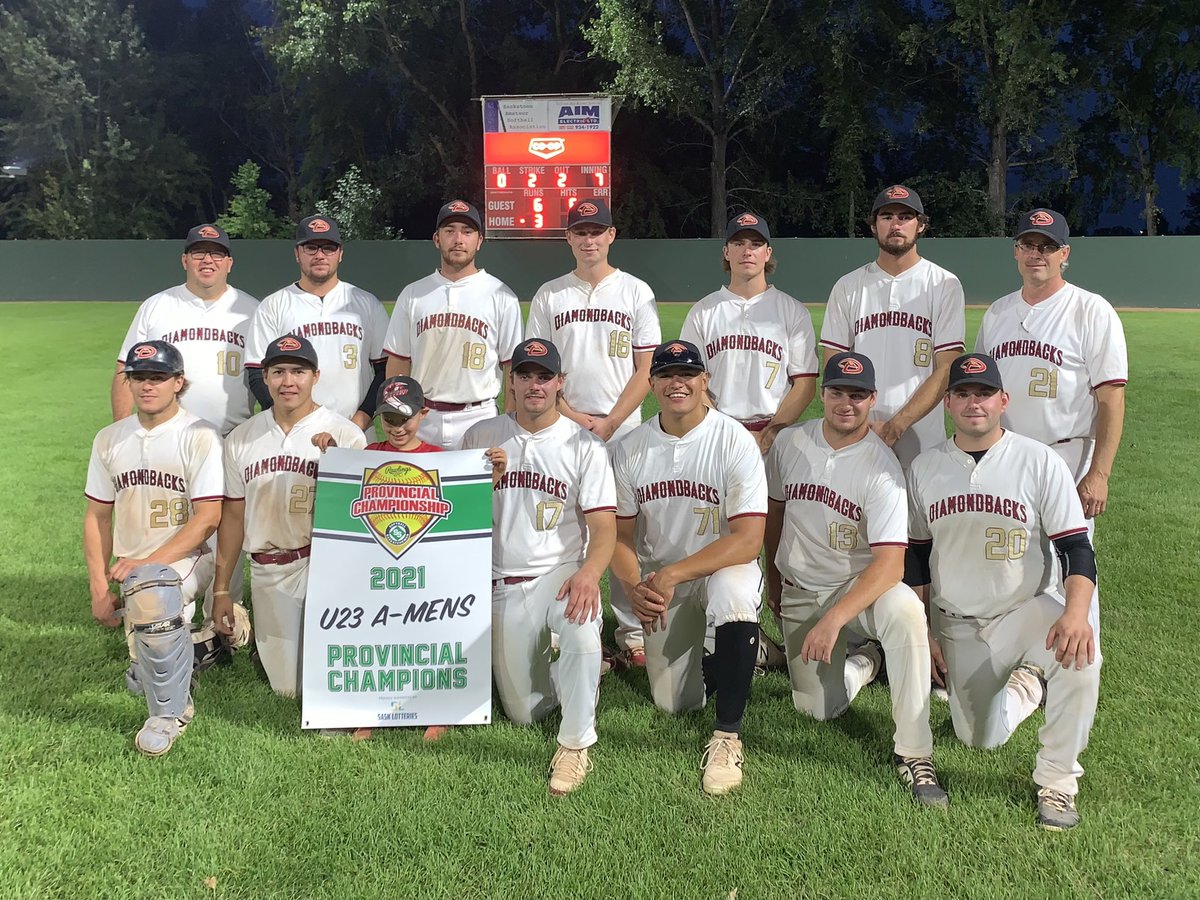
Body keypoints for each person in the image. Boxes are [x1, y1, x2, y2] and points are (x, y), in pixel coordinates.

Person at [907, 353, 1101, 831]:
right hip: (958, 621)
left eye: (985, 393)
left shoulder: (1039, 461)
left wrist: (1077, 614)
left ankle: (1058, 781)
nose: (975, 403)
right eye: (964, 394)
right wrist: (926, 629)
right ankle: (1025, 686)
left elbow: (1076, 548)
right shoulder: (925, 468)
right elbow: (915, 557)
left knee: (1082, 652)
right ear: (948, 403)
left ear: (1003, 400)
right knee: (979, 738)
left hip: (1026, 610)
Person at [764, 351, 947, 808]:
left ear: (873, 400)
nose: (847, 403)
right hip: (803, 588)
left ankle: (914, 751)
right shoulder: (790, 444)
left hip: (858, 587)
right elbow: (775, 513)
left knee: (905, 611)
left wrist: (834, 621)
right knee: (816, 710)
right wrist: (772, 577)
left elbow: (889, 565)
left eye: (858, 395)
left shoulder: (883, 468)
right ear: (822, 394)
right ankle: (866, 664)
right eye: (838, 392)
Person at [610, 340, 766, 796]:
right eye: (666, 375)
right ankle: (742, 653)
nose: (678, 383)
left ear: (705, 381)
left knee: (734, 595)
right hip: (662, 580)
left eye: (688, 374)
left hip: (720, 568)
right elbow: (619, 539)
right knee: (673, 702)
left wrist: (673, 574)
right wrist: (635, 583)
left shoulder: (732, 439)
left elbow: (748, 539)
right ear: (653, 383)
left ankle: (727, 735)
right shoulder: (632, 448)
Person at [461, 339, 616, 794]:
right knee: (524, 712)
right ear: (511, 381)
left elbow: (604, 530)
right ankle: (574, 672)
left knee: (581, 622)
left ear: (560, 384)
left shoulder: (584, 445)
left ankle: (574, 745)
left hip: (558, 572)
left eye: (544, 376)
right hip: (498, 578)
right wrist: (482, 484)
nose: (534, 385)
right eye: (525, 375)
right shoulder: (480, 436)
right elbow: (455, 516)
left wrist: (588, 574)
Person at [974, 208, 1127, 637]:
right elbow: (983, 393)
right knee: (1010, 554)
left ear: (1065, 254)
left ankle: (1079, 654)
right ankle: (1021, 655)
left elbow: (1111, 398)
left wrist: (1099, 472)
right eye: (1028, 245)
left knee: (1071, 556)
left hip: (1068, 453)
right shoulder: (998, 314)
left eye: (1047, 247)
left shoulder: (1090, 310)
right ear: (1016, 252)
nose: (1036, 254)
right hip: (1007, 453)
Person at [525, 198, 660, 666]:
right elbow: (538, 365)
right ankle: (570, 626)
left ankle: (632, 634)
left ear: (611, 235)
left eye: (596, 231)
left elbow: (646, 369)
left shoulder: (635, 291)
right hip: (565, 427)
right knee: (567, 528)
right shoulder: (550, 294)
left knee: (626, 531)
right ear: (568, 239)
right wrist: (572, 414)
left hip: (623, 428)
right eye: (579, 232)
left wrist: (611, 422)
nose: (588, 240)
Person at [113, 223, 258, 632]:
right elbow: (126, 367)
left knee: (229, 527)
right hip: (167, 437)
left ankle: (228, 610)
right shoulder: (157, 306)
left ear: (229, 262)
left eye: (215, 253)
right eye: (198, 253)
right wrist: (127, 430)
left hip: (229, 436)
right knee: (172, 525)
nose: (207, 260)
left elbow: (266, 376)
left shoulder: (252, 309)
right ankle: (164, 611)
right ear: (185, 260)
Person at [84, 340, 225, 756]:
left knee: (151, 592)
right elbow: (97, 517)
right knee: (143, 666)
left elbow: (208, 519)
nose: (147, 386)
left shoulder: (199, 434)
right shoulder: (109, 438)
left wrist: (144, 564)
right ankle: (204, 644)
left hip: (187, 558)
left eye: (158, 377)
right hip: (132, 566)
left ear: (178, 382)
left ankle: (170, 713)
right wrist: (97, 589)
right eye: (138, 377)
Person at [214, 334, 367, 702]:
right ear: (264, 378)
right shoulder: (241, 438)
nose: (288, 381)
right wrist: (221, 589)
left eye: (298, 371)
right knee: (289, 691)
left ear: (316, 376)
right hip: (268, 568)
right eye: (278, 371)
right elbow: (233, 517)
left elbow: (363, 517)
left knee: (332, 679)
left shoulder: (346, 433)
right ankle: (265, 637)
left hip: (324, 565)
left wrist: (340, 465)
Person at [821, 185, 966, 470]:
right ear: (874, 225)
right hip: (860, 430)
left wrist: (897, 424)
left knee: (920, 513)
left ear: (921, 225)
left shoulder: (944, 284)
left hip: (923, 433)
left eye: (905, 216)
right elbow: (833, 367)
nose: (896, 224)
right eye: (886, 216)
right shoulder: (849, 286)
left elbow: (947, 367)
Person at [384, 200, 522, 450]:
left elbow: (513, 369)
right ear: (437, 239)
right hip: (422, 416)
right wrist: (400, 414)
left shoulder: (502, 295)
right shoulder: (413, 294)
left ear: (479, 240)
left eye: (467, 232)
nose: (458, 239)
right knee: (418, 488)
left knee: (480, 490)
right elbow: (398, 363)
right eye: (450, 231)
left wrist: (506, 424)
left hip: (480, 415)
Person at [681, 211, 817, 455]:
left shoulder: (793, 311)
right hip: (716, 435)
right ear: (726, 252)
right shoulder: (702, 311)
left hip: (774, 437)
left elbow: (804, 383)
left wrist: (772, 432)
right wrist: (722, 430)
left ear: (767, 253)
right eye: (738, 243)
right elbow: (692, 381)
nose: (747, 251)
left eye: (756, 244)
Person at [245, 215, 389, 434]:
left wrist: (360, 422)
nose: (320, 255)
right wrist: (288, 421)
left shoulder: (366, 304)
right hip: (293, 433)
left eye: (328, 248)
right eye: (311, 248)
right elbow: (257, 373)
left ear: (340, 254)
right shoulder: (273, 305)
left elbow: (385, 370)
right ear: (297, 253)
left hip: (354, 431)